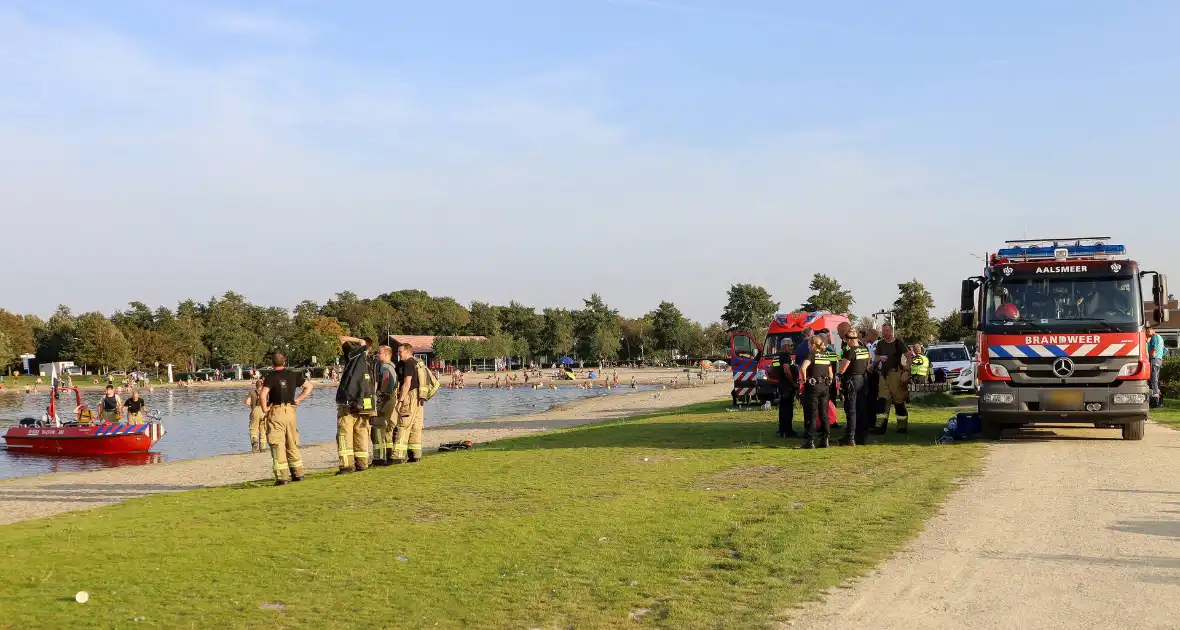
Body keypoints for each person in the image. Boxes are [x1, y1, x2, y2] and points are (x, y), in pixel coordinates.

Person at [260, 352, 313, 486]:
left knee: (277, 443)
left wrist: (265, 409)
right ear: (284, 362)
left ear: (272, 364)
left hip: (276, 411)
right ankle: (298, 473)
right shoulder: (293, 374)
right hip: (291, 411)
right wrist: (298, 400)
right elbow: (309, 387)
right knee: (292, 442)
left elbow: (263, 395)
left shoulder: (270, 377)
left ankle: (282, 477)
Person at [335, 335, 376, 474]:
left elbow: (341, 339)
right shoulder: (371, 361)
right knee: (362, 433)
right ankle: (362, 463)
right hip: (364, 403)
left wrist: (358, 341)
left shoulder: (353, 356)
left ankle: (347, 465)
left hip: (348, 402)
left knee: (345, 433)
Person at [874, 323, 914, 434]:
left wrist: (906, 371)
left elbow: (908, 356)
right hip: (883, 375)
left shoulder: (898, 343)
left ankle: (902, 426)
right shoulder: (880, 344)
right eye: (883, 331)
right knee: (882, 401)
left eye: (887, 331)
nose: (885, 333)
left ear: (891, 331)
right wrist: (880, 358)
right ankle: (880, 426)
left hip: (896, 374)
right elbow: (876, 357)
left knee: (898, 401)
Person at [798, 335, 836, 449]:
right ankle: (825, 440)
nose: (808, 346)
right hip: (824, 387)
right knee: (824, 414)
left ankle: (810, 441)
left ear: (813, 345)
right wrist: (828, 382)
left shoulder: (811, 355)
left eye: (809, 344)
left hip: (814, 387)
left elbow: (803, 367)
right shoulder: (825, 356)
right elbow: (831, 373)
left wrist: (804, 380)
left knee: (813, 414)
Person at [392, 343, 425, 463]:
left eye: (400, 352)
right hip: (418, 398)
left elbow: (407, 383)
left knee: (403, 425)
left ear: (407, 351)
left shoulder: (408, 364)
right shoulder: (416, 363)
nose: (398, 354)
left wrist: (400, 401)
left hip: (409, 397)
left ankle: (398, 456)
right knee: (416, 427)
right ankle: (415, 455)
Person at [838, 329, 871, 446]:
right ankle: (862, 436)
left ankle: (850, 437)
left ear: (849, 340)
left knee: (851, 409)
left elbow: (842, 369)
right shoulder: (865, 350)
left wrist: (839, 375)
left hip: (852, 380)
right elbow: (868, 364)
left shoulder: (850, 352)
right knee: (861, 408)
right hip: (863, 379)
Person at [371, 345, 398, 466]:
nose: (377, 355)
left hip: (386, 398)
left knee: (377, 426)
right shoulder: (392, 365)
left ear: (386, 355)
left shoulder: (385, 366)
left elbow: (386, 378)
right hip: (391, 398)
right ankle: (387, 453)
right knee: (386, 426)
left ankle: (379, 458)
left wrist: (381, 392)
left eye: (379, 353)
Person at [772, 338, 798, 437]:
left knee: (783, 408)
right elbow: (787, 371)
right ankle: (788, 431)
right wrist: (793, 383)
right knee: (788, 409)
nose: (792, 348)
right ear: (785, 346)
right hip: (787, 386)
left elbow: (771, 371)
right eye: (791, 345)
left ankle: (782, 430)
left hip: (781, 384)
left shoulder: (776, 356)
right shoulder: (785, 356)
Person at [1147, 324, 1167, 407]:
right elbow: (1165, 349)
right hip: (1158, 360)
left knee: (1153, 380)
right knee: (1155, 380)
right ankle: (1160, 399)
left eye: (1146, 332)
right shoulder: (1160, 337)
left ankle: (1156, 401)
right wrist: (1160, 356)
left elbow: (1153, 350)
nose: (1146, 334)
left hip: (1153, 360)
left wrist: (1149, 356)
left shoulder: (1154, 337)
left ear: (1150, 330)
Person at [245, 380, 267, 452]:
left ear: (256, 386)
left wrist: (252, 405)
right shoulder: (265, 392)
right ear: (262, 385)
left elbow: (247, 402)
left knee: (253, 428)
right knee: (263, 429)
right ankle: (262, 448)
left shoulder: (252, 392)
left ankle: (254, 441)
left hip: (255, 410)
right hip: (264, 411)